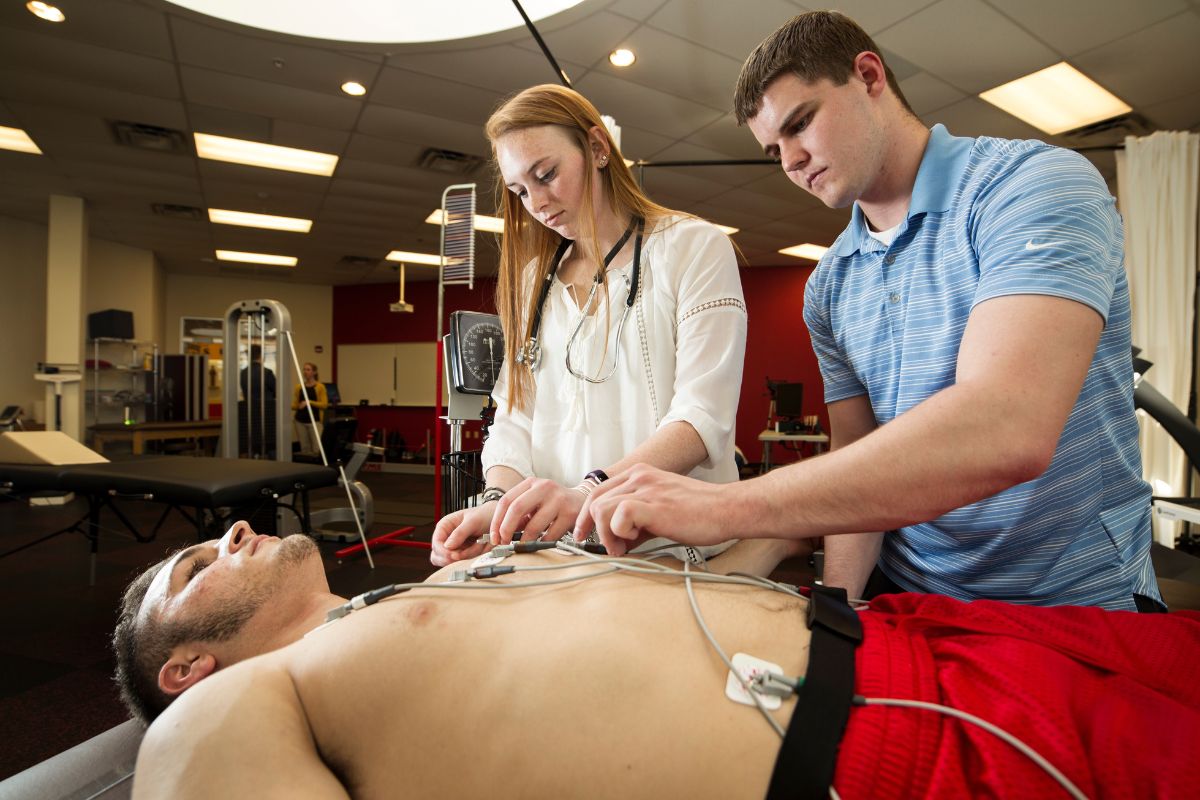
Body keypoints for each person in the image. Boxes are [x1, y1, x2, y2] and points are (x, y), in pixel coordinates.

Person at [576, 11, 1162, 612]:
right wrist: (833, 612)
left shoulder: (1030, 186)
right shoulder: (828, 286)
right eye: (774, 149)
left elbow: (1006, 429)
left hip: (1072, 598)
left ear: (868, 76)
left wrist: (724, 507)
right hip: (912, 596)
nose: (791, 162)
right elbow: (857, 459)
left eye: (800, 124)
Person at [119, 524, 1200, 798]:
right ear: (185, 667)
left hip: (925, 637)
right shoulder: (224, 713)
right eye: (191, 571)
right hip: (900, 749)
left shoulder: (414, 596)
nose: (230, 538)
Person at [431, 84, 748, 566]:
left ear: (597, 149)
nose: (536, 202)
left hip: (668, 544)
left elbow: (701, 420)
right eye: (520, 190)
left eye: (547, 174)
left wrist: (588, 493)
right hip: (560, 549)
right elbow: (514, 419)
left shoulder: (693, 248)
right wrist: (497, 505)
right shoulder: (533, 282)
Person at [291, 361, 328, 457]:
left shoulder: (320, 387)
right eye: (304, 369)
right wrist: (294, 406)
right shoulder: (299, 387)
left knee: (317, 449)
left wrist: (309, 402)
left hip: (314, 421)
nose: (305, 372)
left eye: (308, 369)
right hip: (300, 421)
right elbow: (295, 405)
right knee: (304, 449)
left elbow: (324, 405)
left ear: (314, 372)